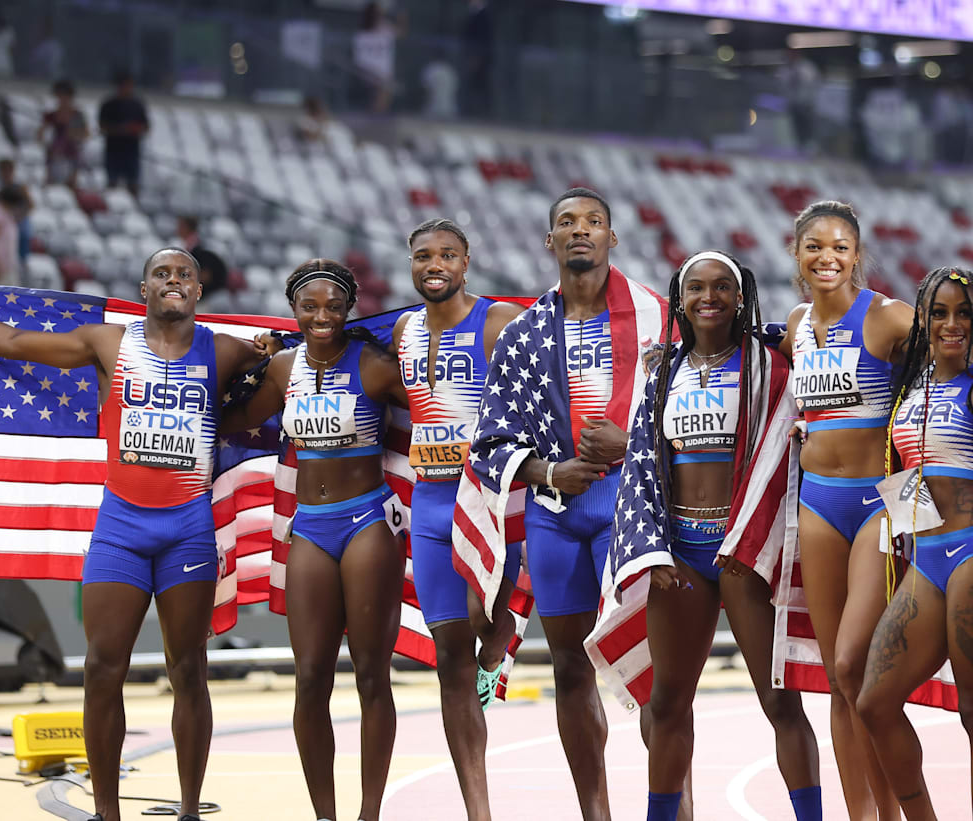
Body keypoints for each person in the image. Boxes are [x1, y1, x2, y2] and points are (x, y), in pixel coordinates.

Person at [0, 249, 277, 821]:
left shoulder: (226, 351)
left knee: (188, 668)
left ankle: (190, 810)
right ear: (144, 288)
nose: (173, 281)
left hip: (187, 527)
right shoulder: (109, 342)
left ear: (197, 289)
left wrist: (270, 351)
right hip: (121, 526)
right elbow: (11, 343)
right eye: (162, 273)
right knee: (100, 667)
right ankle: (107, 813)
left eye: (183, 274)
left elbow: (289, 362)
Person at [467, 187, 666, 820]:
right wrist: (552, 469)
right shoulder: (524, 334)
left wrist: (630, 442)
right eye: (566, 223)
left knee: (653, 671)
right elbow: (489, 443)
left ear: (613, 238)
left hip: (630, 509)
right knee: (570, 670)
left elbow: (695, 417)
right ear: (549, 242)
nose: (580, 231)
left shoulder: (658, 318)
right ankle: (596, 814)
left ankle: (673, 809)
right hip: (556, 513)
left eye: (594, 222)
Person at [617, 251, 822, 821]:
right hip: (680, 552)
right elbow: (643, 463)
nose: (709, 297)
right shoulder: (663, 374)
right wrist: (651, 545)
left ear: (741, 297)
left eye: (722, 288)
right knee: (665, 702)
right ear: (679, 300)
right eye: (696, 288)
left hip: (744, 553)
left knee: (779, 701)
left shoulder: (769, 367)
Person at [223, 259, 409, 821]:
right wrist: (244, 365)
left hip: (367, 522)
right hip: (309, 524)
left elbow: (437, 405)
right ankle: (325, 815)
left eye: (333, 306)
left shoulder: (374, 366)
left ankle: (369, 812)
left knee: (372, 672)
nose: (322, 315)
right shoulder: (284, 369)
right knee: (309, 679)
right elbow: (230, 419)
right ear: (295, 311)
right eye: (310, 306)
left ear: (349, 309)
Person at [854, 267, 973, 821]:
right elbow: (905, 474)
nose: (952, 323)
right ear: (924, 320)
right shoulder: (913, 388)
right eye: (939, 312)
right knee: (874, 704)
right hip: (928, 558)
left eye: (964, 312)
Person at [781, 199, 911, 820]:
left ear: (857, 255)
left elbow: (957, 365)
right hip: (818, 503)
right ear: (796, 254)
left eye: (839, 247)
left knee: (855, 664)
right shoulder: (795, 324)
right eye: (814, 247)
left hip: (880, 504)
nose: (826, 258)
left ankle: (892, 811)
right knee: (838, 681)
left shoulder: (888, 318)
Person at [391, 219, 524, 819]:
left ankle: (495, 660)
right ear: (412, 265)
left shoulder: (496, 323)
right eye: (423, 256)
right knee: (448, 659)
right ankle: (479, 808)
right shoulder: (404, 329)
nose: (434, 264)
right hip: (429, 502)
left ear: (466, 264)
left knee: (487, 625)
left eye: (447, 254)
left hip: (489, 502)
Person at [98, 71, 149, 195]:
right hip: (113, 149)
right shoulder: (109, 105)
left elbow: (146, 127)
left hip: (131, 150)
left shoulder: (137, 105)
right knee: (112, 182)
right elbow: (102, 126)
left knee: (133, 184)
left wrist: (134, 129)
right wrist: (119, 129)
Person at [353, 2, 403, 114]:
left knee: (386, 89)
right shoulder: (367, 29)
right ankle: (376, 114)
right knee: (384, 88)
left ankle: (377, 113)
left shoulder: (382, 27)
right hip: (369, 70)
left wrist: (401, 18)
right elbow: (359, 57)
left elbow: (399, 33)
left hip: (380, 71)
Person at [39, 79, 89, 187]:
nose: (62, 99)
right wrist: (47, 144)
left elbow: (85, 134)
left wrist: (74, 134)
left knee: (71, 185)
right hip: (54, 154)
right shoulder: (51, 115)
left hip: (71, 154)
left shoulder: (77, 115)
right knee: (50, 183)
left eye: (64, 96)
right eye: (59, 96)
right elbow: (40, 134)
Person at [175, 215, 228, 308]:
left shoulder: (198, 247)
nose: (177, 229)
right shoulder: (188, 246)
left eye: (180, 226)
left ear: (186, 227)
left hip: (205, 296)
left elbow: (205, 274)